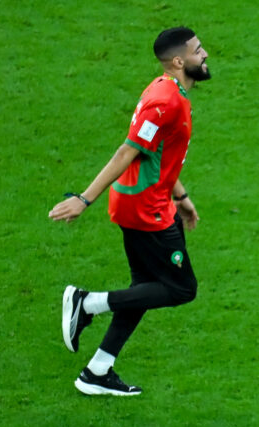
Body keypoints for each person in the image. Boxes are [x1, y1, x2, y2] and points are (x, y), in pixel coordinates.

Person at [48, 27, 211, 397]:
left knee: (146, 289)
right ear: (179, 61)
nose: (205, 55)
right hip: (146, 209)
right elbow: (128, 151)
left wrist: (181, 195)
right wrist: (83, 199)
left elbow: (159, 153)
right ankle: (87, 302)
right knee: (181, 288)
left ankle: (97, 371)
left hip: (150, 200)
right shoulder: (165, 102)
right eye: (198, 50)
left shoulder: (168, 91)